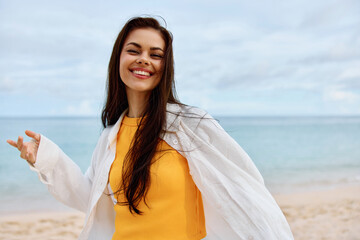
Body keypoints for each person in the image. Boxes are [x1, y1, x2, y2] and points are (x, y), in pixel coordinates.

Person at [7, 17, 294, 240]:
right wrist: (46, 159)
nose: (144, 59)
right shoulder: (111, 136)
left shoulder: (191, 124)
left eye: (155, 54)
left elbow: (244, 191)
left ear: (165, 66)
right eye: (134, 50)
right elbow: (89, 198)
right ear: (119, 58)